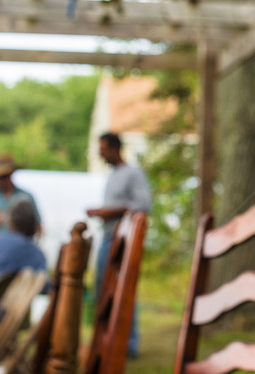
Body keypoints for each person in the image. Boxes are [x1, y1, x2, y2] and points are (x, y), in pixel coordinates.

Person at [86, 132, 151, 358]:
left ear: (114, 148)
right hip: (107, 239)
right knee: (105, 291)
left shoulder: (132, 173)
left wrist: (105, 212)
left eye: (103, 149)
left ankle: (128, 344)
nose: (100, 153)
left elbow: (142, 204)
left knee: (123, 289)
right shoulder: (112, 175)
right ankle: (107, 339)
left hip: (122, 241)